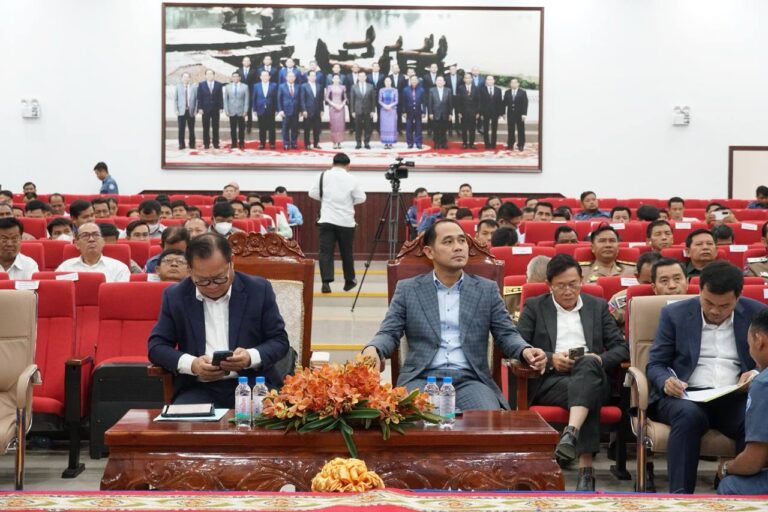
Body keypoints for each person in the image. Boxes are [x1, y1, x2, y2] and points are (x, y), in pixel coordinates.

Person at [362, 220, 547, 410]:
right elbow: (389, 332)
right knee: (409, 418)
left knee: (487, 419)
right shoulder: (408, 289)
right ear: (429, 252)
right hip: (421, 378)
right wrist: (373, 348)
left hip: (471, 380)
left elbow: (506, 334)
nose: (458, 247)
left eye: (462, 241)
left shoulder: (486, 290)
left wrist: (525, 350)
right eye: (448, 242)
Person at [647, 261, 766, 493]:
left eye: (724, 306)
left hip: (734, 394)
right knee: (688, 416)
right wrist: (666, 381)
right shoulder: (675, 314)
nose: (714, 311)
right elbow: (656, 364)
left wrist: (755, 374)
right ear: (699, 290)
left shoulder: (756, 313)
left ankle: (740, 490)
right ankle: (680, 497)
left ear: (738, 297)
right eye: (708, 302)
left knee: (753, 416)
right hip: (685, 395)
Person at [516, 254, 627, 490]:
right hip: (550, 381)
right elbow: (519, 347)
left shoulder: (596, 306)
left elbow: (621, 347)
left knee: (587, 366)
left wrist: (599, 358)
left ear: (581, 281)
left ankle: (570, 434)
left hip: (592, 374)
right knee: (587, 391)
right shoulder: (535, 307)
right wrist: (551, 359)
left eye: (573, 284)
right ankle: (586, 470)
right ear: (549, 285)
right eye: (560, 286)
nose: (568, 291)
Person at [148, 233, 290, 407]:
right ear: (190, 271)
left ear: (231, 264)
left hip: (252, 383)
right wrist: (192, 364)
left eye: (219, 278)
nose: (213, 286)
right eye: (203, 281)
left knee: (269, 417)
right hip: (198, 387)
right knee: (185, 422)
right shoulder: (175, 296)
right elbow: (157, 347)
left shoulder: (258, 289)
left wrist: (250, 357)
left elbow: (279, 341)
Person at [717, 309, 768, 495]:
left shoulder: (763, 384)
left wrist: (726, 468)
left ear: (759, 340)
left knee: (730, 486)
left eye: (748, 345)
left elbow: (752, 462)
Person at [308, 153, 366, 294]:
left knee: (325, 252)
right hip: (346, 221)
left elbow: (312, 193)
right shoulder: (352, 178)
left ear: (333, 163)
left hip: (327, 219)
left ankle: (326, 282)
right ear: (348, 165)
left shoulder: (322, 175)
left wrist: (326, 200)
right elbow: (361, 197)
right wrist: (349, 202)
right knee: (347, 252)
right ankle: (349, 281)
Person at [56, 222, 130, 282]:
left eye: (96, 235)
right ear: (77, 244)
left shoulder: (119, 268)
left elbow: (121, 294)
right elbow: (60, 291)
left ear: (103, 242)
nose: (91, 239)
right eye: (85, 235)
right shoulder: (65, 268)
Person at [608, 251, 662, 328]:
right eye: (648, 283)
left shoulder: (675, 296)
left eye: (661, 281)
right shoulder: (620, 300)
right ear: (637, 277)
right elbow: (608, 329)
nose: (654, 287)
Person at [198, 69, 224, 149]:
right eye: (208, 74)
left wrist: (221, 107)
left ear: (214, 75)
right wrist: (200, 108)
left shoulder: (218, 84)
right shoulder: (201, 84)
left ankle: (216, 143)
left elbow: (220, 97)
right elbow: (199, 97)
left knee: (215, 127)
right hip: (205, 109)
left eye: (211, 74)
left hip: (215, 108)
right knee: (205, 127)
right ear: (205, 75)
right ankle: (206, 143)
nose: (209, 75)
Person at [350, 71, 376, 149]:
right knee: (358, 128)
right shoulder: (354, 87)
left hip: (368, 110)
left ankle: (366, 143)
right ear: (358, 77)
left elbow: (373, 100)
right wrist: (352, 111)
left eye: (363, 76)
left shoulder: (370, 86)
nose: (361, 77)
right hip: (357, 110)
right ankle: (358, 143)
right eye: (360, 76)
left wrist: (373, 110)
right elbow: (352, 100)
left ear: (365, 77)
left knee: (368, 128)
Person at [223, 71, 248, 150]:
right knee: (233, 128)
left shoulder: (245, 87)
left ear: (239, 78)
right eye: (234, 76)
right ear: (232, 78)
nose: (235, 78)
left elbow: (247, 99)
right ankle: (234, 143)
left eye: (237, 76)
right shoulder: (227, 87)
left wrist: (245, 110)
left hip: (241, 111)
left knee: (241, 128)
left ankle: (241, 143)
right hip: (231, 111)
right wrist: (226, 110)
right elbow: (225, 99)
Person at [253, 70, 277, 150]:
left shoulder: (274, 85)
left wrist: (277, 109)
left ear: (269, 77)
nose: (265, 77)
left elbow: (276, 98)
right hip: (260, 108)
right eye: (263, 75)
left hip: (271, 109)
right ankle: (262, 143)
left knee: (271, 127)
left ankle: (272, 144)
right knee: (262, 127)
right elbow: (254, 98)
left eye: (266, 75)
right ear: (260, 77)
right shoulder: (256, 86)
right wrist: (254, 109)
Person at [299, 70, 323, 149]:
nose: (313, 77)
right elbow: (302, 99)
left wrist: (322, 110)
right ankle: (307, 144)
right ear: (308, 77)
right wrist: (304, 110)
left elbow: (320, 99)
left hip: (317, 110)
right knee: (307, 128)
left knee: (317, 128)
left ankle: (316, 143)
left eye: (314, 75)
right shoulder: (304, 86)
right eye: (311, 75)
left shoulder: (319, 86)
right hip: (307, 111)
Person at [503, 78, 529, 151]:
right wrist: (503, 113)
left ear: (518, 84)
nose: (513, 84)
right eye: (512, 83)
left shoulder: (523, 92)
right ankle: (510, 144)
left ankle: (521, 145)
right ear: (510, 84)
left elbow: (525, 103)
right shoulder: (507, 92)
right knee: (510, 129)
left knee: (521, 130)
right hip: (510, 114)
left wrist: (524, 114)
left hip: (520, 114)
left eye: (515, 83)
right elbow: (504, 103)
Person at [174, 72, 197, 150]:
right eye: (184, 77)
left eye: (187, 77)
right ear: (181, 78)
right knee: (181, 129)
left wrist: (195, 110)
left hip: (191, 111)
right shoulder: (178, 87)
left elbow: (196, 99)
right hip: (181, 111)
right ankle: (181, 144)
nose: (186, 79)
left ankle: (192, 144)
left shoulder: (194, 87)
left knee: (191, 129)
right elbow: (175, 99)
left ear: (189, 78)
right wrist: (176, 110)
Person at [428, 76, 452, 150]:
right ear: (435, 82)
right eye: (438, 80)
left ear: (444, 82)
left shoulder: (448, 90)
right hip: (435, 113)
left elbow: (450, 103)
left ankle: (444, 143)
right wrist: (430, 113)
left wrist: (450, 113)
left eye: (441, 81)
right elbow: (430, 103)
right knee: (436, 129)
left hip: (445, 113)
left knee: (444, 129)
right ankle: (436, 143)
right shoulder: (432, 90)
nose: (440, 82)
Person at [277, 72, 300, 150]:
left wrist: (301, 110)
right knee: (285, 128)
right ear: (286, 78)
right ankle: (286, 143)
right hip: (285, 111)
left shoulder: (298, 86)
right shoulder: (281, 86)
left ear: (295, 78)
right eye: (289, 76)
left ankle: (294, 143)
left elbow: (300, 99)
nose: (291, 78)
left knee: (295, 128)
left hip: (296, 110)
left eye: (292, 76)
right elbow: (279, 99)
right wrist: (280, 110)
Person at [402, 75, 426, 149]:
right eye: (412, 80)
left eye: (415, 80)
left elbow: (424, 102)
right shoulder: (405, 90)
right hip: (409, 111)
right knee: (409, 128)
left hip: (418, 111)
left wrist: (424, 112)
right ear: (410, 81)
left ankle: (418, 143)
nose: (414, 81)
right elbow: (403, 102)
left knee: (418, 128)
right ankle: (410, 143)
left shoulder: (421, 90)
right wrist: (404, 112)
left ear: (418, 81)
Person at [479, 75, 503, 150]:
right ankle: (487, 144)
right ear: (486, 81)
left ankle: (493, 144)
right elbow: (480, 102)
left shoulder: (498, 90)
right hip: (485, 112)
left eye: (491, 79)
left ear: (494, 81)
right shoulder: (482, 90)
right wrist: (481, 113)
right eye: (488, 79)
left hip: (495, 112)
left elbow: (500, 102)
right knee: (486, 129)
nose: (489, 81)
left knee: (494, 129)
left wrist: (500, 113)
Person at [457, 72, 480, 149]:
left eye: (469, 78)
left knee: (472, 129)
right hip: (463, 111)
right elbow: (458, 101)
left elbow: (478, 101)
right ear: (464, 79)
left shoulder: (476, 88)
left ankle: (472, 143)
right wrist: (459, 112)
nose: (468, 79)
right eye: (466, 78)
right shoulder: (460, 88)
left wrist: (478, 112)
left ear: (472, 79)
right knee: (464, 128)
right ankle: (464, 143)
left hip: (473, 112)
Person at [325, 74, 348, 150]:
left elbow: (345, 98)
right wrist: (334, 105)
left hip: (341, 108)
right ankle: (334, 142)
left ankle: (339, 142)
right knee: (334, 125)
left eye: (337, 78)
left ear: (339, 79)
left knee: (341, 125)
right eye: (334, 78)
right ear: (332, 80)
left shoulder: (343, 87)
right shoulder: (329, 87)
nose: (336, 79)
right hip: (333, 108)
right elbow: (327, 98)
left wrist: (342, 105)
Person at [236, 56, 257, 133]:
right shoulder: (238, 70)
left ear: (250, 62)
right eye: (245, 61)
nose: (246, 62)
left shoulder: (254, 71)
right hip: (241, 93)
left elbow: (255, 83)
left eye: (248, 61)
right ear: (242, 62)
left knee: (249, 109)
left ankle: (249, 126)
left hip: (250, 92)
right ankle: (241, 125)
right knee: (241, 109)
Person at [378, 76, 398, 149]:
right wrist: (385, 106)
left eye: (389, 81)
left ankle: (391, 142)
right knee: (384, 126)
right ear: (384, 82)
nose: (387, 82)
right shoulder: (381, 90)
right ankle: (385, 143)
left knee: (392, 126)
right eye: (386, 81)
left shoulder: (395, 90)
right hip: (384, 111)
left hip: (392, 110)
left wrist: (390, 106)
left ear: (391, 82)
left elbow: (396, 101)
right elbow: (380, 100)